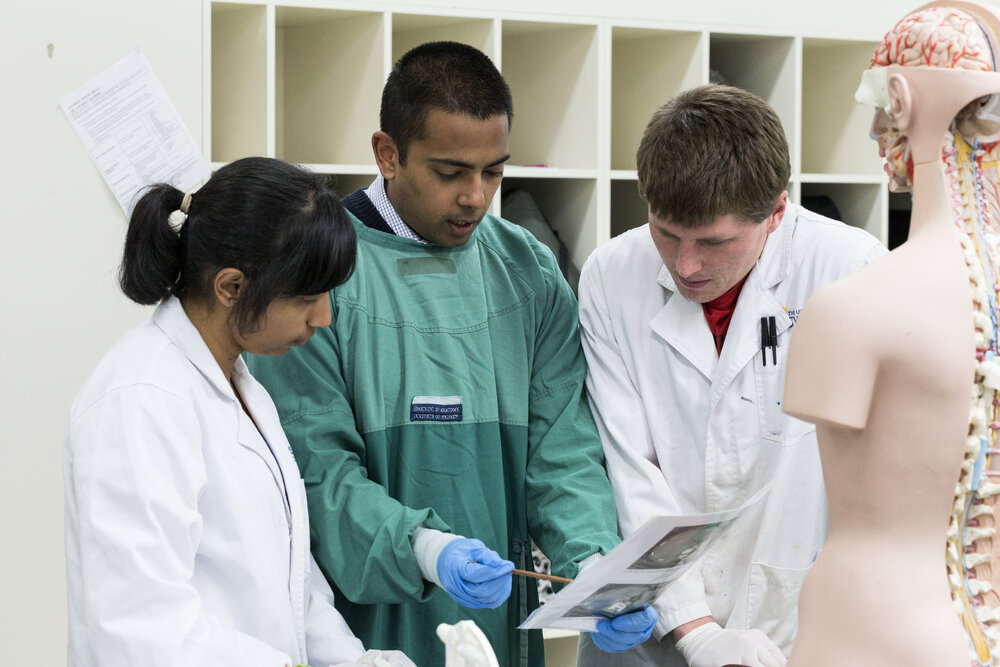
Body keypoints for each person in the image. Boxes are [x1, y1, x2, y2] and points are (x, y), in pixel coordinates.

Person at [246, 41, 656, 667]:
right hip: (364, 628)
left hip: (500, 622)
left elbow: (563, 452)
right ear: (387, 154)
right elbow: (316, 471)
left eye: (493, 172)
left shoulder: (527, 271)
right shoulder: (315, 274)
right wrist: (424, 548)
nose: (476, 196)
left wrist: (594, 565)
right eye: (450, 173)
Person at [574, 84, 887, 667]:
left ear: (776, 213)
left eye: (714, 242)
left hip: (801, 618)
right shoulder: (611, 274)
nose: (686, 264)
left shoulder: (849, 269)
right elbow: (629, 464)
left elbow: (875, 476)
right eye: (666, 233)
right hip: (652, 619)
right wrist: (694, 631)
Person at [63, 157, 415, 667]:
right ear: (232, 287)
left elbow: (291, 586)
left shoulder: (244, 389)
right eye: (307, 297)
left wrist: (352, 661)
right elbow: (141, 629)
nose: (324, 317)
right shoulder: (141, 400)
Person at [784, 3, 1000, 664]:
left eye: (880, 105)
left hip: (870, 626)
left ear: (901, 102)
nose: (876, 130)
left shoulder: (849, 310)